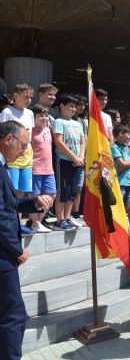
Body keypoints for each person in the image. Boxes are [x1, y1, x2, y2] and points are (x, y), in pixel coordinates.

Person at [0, 121, 53, 359]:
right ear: (8, 139)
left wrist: (35, 202)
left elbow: (10, 206)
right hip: (3, 256)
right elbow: (1, 217)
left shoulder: (2, 166)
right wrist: (16, 250)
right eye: (22, 145)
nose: (23, 151)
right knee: (13, 315)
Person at [53, 94, 85, 231]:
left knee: (73, 191)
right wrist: (74, 157)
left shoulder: (78, 124)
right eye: (70, 106)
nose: (73, 109)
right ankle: (59, 220)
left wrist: (80, 157)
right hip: (65, 161)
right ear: (62, 106)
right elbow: (58, 142)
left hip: (77, 162)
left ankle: (67, 217)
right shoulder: (59, 122)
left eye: (74, 106)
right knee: (63, 191)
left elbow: (83, 141)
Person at [0, 84, 35, 204]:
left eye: (30, 97)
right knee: (12, 188)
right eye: (26, 97)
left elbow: (30, 136)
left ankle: (18, 220)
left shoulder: (30, 113)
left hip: (26, 156)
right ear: (15, 95)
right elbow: (3, 133)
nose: (29, 100)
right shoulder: (7, 112)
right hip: (12, 156)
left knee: (22, 191)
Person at [29, 105, 56, 233]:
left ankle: (38, 220)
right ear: (33, 117)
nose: (44, 118)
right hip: (35, 169)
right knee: (34, 197)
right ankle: (35, 222)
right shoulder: (30, 130)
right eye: (40, 115)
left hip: (49, 169)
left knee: (52, 195)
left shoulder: (48, 129)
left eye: (46, 115)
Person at [111, 125, 130, 235]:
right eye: (127, 134)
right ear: (120, 134)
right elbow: (122, 165)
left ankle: (123, 229)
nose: (129, 137)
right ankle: (116, 230)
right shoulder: (114, 147)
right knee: (119, 206)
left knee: (127, 207)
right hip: (120, 182)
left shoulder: (126, 148)